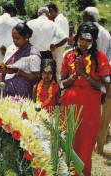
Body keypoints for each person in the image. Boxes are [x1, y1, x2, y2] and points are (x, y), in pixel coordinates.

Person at [60, 22, 110, 176]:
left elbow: (105, 88)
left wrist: (86, 76)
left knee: (85, 148)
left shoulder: (99, 58)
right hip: (70, 107)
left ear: (94, 41)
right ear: (77, 38)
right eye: (82, 39)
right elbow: (61, 85)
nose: (84, 43)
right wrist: (74, 76)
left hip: (90, 109)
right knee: (70, 146)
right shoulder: (68, 55)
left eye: (89, 40)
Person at [82, 7, 111, 155]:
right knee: (99, 107)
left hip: (88, 73)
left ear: (86, 16)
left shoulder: (85, 30)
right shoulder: (106, 32)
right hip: (103, 74)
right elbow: (109, 55)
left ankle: (89, 138)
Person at [0, 23, 41, 98]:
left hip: (22, 93)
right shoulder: (11, 49)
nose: (14, 41)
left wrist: (17, 71)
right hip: (6, 89)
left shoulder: (32, 54)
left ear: (26, 37)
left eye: (17, 38)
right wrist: (3, 68)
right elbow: (6, 65)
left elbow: (36, 77)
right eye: (13, 38)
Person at [46, 2, 69, 82]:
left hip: (57, 48)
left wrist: (55, 45)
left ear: (51, 11)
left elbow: (63, 37)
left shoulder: (58, 20)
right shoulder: (60, 19)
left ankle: (57, 89)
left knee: (57, 70)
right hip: (59, 47)